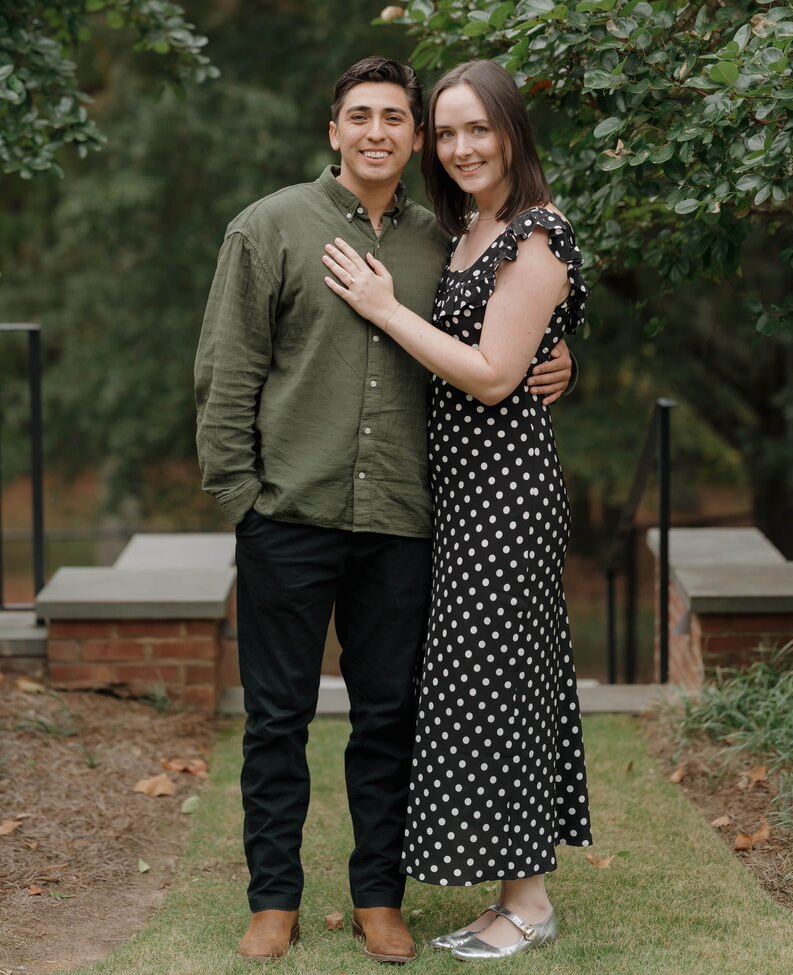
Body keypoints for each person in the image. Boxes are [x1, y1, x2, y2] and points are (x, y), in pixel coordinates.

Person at [194, 56, 574, 964]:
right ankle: (273, 900)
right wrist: (244, 503)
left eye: (396, 118)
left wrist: (555, 367)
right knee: (277, 719)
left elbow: (499, 335)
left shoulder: (444, 238)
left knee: (389, 719)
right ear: (334, 130)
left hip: (406, 522)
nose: (377, 132)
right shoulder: (269, 228)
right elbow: (226, 374)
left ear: (414, 139)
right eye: (359, 115)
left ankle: (379, 897)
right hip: (290, 513)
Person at [322, 58, 591, 961]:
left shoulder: (536, 237)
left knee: (501, 686)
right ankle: (512, 892)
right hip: (460, 493)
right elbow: (521, 350)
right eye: (448, 132)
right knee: (481, 687)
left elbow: (490, 373)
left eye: (480, 128)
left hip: (506, 497)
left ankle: (532, 902)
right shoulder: (472, 226)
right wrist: (558, 359)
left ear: (514, 131)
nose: (462, 147)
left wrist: (382, 306)